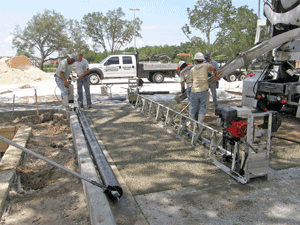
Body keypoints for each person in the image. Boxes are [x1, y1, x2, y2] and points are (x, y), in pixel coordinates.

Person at [190, 52, 219, 124]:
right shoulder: (206, 65)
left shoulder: (192, 69)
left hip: (194, 90)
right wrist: (215, 77)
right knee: (202, 107)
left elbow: (192, 80)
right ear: (203, 60)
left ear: (195, 61)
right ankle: (199, 124)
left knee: (193, 107)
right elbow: (214, 69)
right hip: (203, 90)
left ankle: (192, 123)